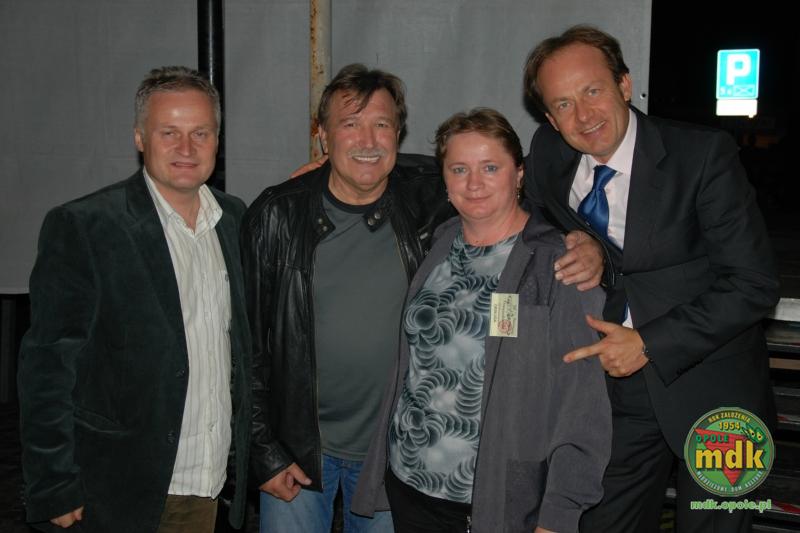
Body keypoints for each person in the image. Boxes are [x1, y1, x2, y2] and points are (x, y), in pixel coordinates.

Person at [242, 64, 604, 533]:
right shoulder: (278, 214)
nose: (367, 140)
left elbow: (581, 406)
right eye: (349, 124)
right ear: (323, 137)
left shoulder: (431, 209)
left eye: (381, 124)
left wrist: (586, 241)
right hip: (310, 452)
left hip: (394, 462)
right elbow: (245, 345)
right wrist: (264, 451)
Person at [523, 25, 780, 532]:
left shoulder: (701, 155)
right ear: (550, 119)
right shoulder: (549, 154)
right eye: (564, 104)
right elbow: (525, 217)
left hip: (717, 393)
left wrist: (649, 343)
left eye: (592, 91)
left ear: (624, 84)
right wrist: (578, 241)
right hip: (614, 394)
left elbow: (753, 283)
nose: (584, 115)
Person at [351, 108, 611, 533]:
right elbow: (378, 171)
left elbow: (582, 408)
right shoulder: (440, 241)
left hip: (493, 499)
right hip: (409, 483)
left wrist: (559, 513)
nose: (474, 183)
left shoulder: (559, 265)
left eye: (491, 167)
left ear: (519, 173)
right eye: (459, 169)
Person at [18, 66, 252, 533]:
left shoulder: (234, 219)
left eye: (200, 133)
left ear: (217, 140)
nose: (186, 148)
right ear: (140, 137)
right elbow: (47, 369)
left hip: (208, 484)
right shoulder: (85, 227)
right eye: (169, 133)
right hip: (115, 490)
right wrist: (53, 484)